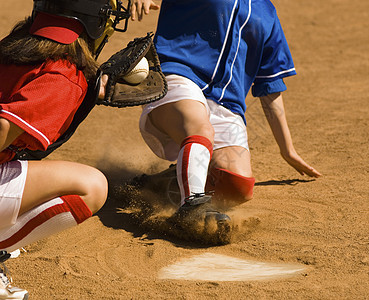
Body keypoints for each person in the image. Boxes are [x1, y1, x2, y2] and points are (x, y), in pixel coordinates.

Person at [137, 0, 322, 241]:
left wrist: (287, 150)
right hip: (177, 76)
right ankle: (192, 206)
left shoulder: (266, 12)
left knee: (237, 186)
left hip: (226, 104)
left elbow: (270, 86)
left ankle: (171, 180)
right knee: (200, 128)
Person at [0, 0, 145, 298]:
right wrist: (78, 89)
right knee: (91, 186)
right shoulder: (62, 75)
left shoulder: (14, 48)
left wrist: (88, 93)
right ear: (94, 22)